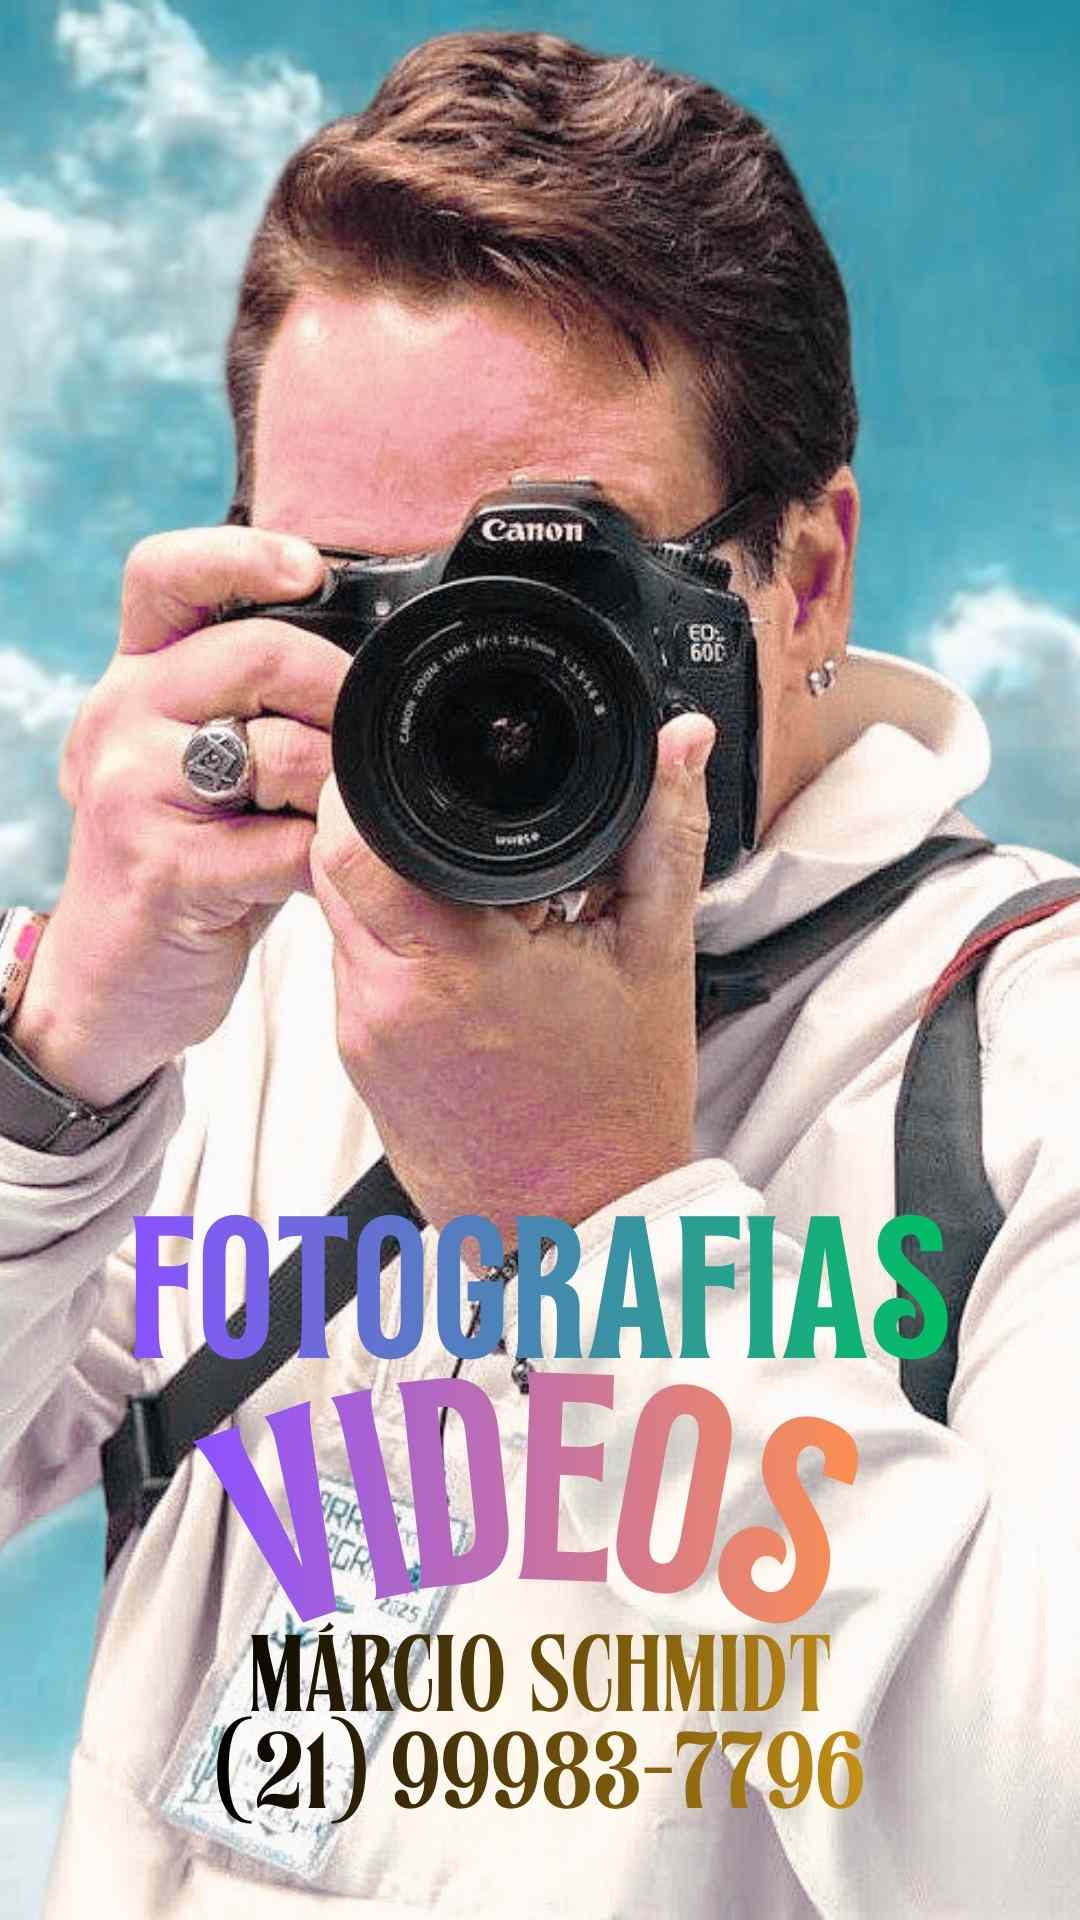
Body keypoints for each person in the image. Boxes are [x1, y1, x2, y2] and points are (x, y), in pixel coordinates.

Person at [1, 29, 1077, 1919]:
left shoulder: (1027, 1057)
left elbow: (1032, 1852)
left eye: (554, 592)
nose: (462, 690)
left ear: (808, 572)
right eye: (364, 597)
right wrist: (62, 1070)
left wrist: (596, 1209)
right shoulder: (244, 985)